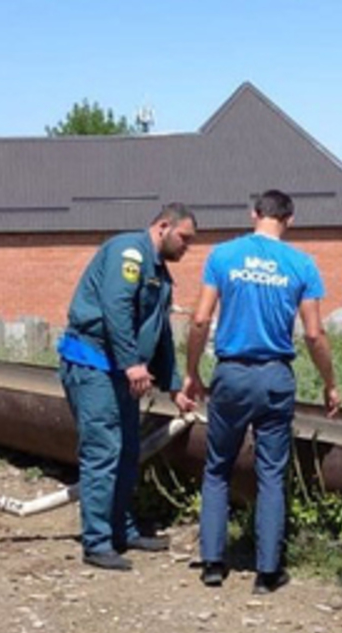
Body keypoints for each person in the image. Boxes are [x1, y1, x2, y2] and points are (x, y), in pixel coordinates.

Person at [182, 189, 341, 595]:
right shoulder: (302, 264)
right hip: (275, 377)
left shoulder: (222, 256)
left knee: (217, 468)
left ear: (254, 213)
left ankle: (213, 565)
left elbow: (199, 320)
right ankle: (267, 573)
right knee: (271, 474)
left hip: (232, 374)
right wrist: (330, 383)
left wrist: (192, 372)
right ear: (289, 220)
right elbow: (313, 333)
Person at [58, 203, 198, 571]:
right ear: (163, 226)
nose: (187, 247)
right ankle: (97, 542)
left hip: (118, 373)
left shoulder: (159, 274)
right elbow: (116, 307)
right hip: (93, 366)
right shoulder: (128, 252)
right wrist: (133, 363)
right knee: (103, 452)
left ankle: (123, 530)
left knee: (127, 452)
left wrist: (173, 386)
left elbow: (161, 331)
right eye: (184, 238)